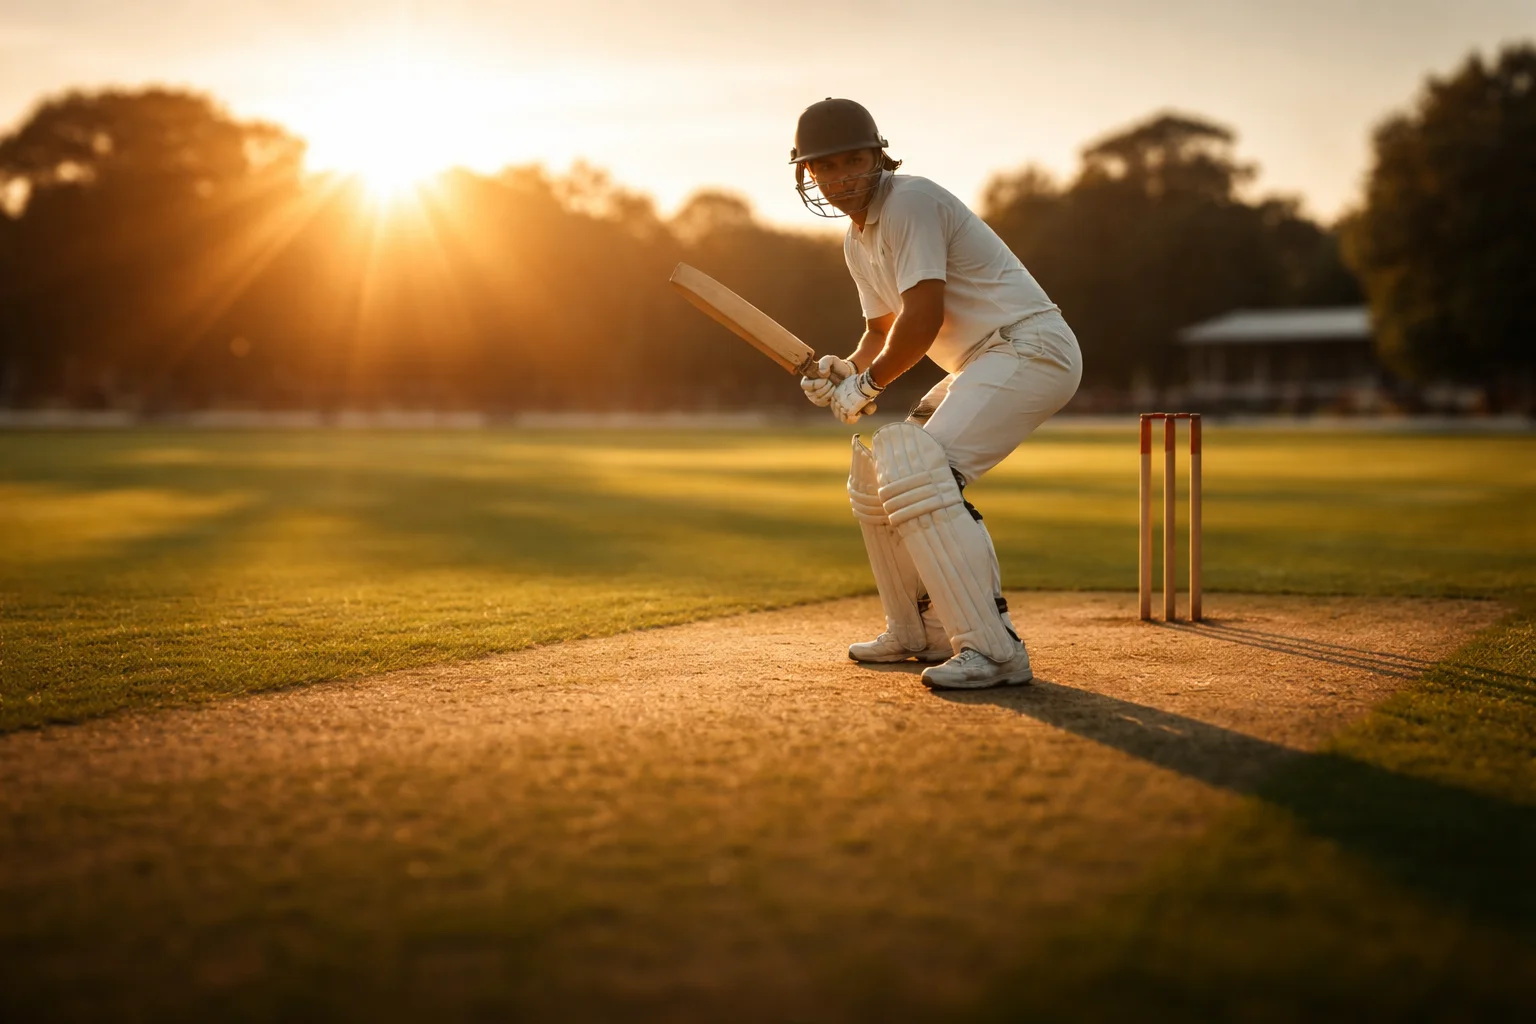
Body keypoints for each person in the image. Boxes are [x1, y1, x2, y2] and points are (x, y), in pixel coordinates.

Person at [792, 97, 1082, 690]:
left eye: (855, 160)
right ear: (808, 175)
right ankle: (919, 631)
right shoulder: (857, 240)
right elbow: (880, 330)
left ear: (879, 156)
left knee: (923, 474)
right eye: (827, 167)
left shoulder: (911, 203)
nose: (843, 177)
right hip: (984, 359)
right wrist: (845, 369)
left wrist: (868, 385)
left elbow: (921, 320)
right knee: (883, 478)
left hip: (1029, 345)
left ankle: (995, 650)